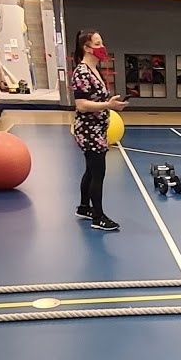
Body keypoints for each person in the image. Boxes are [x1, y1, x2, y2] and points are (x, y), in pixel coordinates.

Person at [70, 29, 126, 232]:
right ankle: (98, 216)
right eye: (97, 43)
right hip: (88, 130)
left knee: (90, 170)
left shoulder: (95, 70)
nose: (102, 47)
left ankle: (84, 207)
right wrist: (107, 106)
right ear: (86, 47)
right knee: (98, 173)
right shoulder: (82, 72)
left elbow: (97, 100)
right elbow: (82, 104)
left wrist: (111, 104)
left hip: (98, 128)